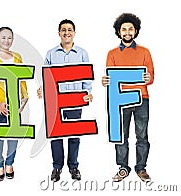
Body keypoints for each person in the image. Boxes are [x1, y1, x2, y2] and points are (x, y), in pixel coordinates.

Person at [37, 19, 93, 182]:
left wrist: (87, 92)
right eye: (63, 30)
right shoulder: (51, 53)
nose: (66, 32)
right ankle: (57, 167)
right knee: (56, 135)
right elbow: (47, 75)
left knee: (74, 134)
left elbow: (86, 75)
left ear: (74, 33)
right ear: (59, 33)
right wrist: (43, 89)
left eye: (69, 30)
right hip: (57, 102)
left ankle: (73, 166)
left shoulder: (82, 53)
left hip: (75, 100)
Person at [101, 13, 154, 182]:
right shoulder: (112, 53)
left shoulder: (145, 51)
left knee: (142, 135)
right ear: (119, 32)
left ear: (136, 30)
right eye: (124, 29)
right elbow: (111, 77)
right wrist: (106, 81)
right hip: (120, 100)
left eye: (130, 29)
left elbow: (151, 75)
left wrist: (148, 78)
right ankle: (123, 167)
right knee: (120, 135)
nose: (127, 32)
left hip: (141, 98)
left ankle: (141, 168)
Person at [0, 27, 29, 181]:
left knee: (13, 134)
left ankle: (10, 163)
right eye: (3, 38)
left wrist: (25, 96)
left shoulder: (17, 56)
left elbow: (22, 78)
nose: (6, 41)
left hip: (14, 102)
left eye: (9, 38)